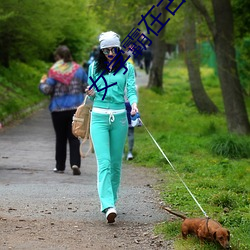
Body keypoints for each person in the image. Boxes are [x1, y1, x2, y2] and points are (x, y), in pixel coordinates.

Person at [85, 31, 138, 223]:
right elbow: (91, 96)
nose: (109, 53)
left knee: (116, 164)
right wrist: (90, 92)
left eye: (112, 49)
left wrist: (133, 104)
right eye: (105, 50)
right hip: (98, 117)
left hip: (120, 118)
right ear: (101, 50)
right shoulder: (94, 68)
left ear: (118, 48)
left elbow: (131, 90)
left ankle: (112, 201)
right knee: (104, 163)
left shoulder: (127, 68)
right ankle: (107, 205)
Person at [39, 45, 88, 175]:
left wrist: (42, 83)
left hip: (58, 109)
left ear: (58, 57)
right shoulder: (79, 70)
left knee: (60, 138)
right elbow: (87, 86)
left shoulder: (54, 71)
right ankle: (75, 163)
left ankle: (60, 166)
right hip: (75, 109)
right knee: (74, 137)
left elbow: (47, 90)